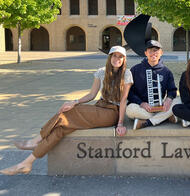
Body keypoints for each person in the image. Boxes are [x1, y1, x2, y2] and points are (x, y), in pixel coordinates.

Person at [0, 46, 133, 175]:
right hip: (99, 107)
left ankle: (34, 141)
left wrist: (120, 123)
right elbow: (91, 95)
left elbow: (123, 100)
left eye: (121, 57)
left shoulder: (126, 74)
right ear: (110, 57)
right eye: (114, 56)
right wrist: (74, 102)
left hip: (112, 113)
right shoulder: (101, 72)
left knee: (68, 113)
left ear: (124, 59)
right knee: (61, 129)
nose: (117, 59)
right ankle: (27, 163)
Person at [126, 40, 180, 130]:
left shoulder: (166, 71)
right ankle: (164, 117)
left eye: (156, 50)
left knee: (179, 101)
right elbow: (129, 92)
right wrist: (141, 103)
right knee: (130, 110)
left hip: (160, 106)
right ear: (145, 53)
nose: (153, 53)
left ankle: (148, 121)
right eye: (150, 51)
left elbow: (172, 90)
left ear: (161, 53)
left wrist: (169, 99)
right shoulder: (135, 69)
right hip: (141, 108)